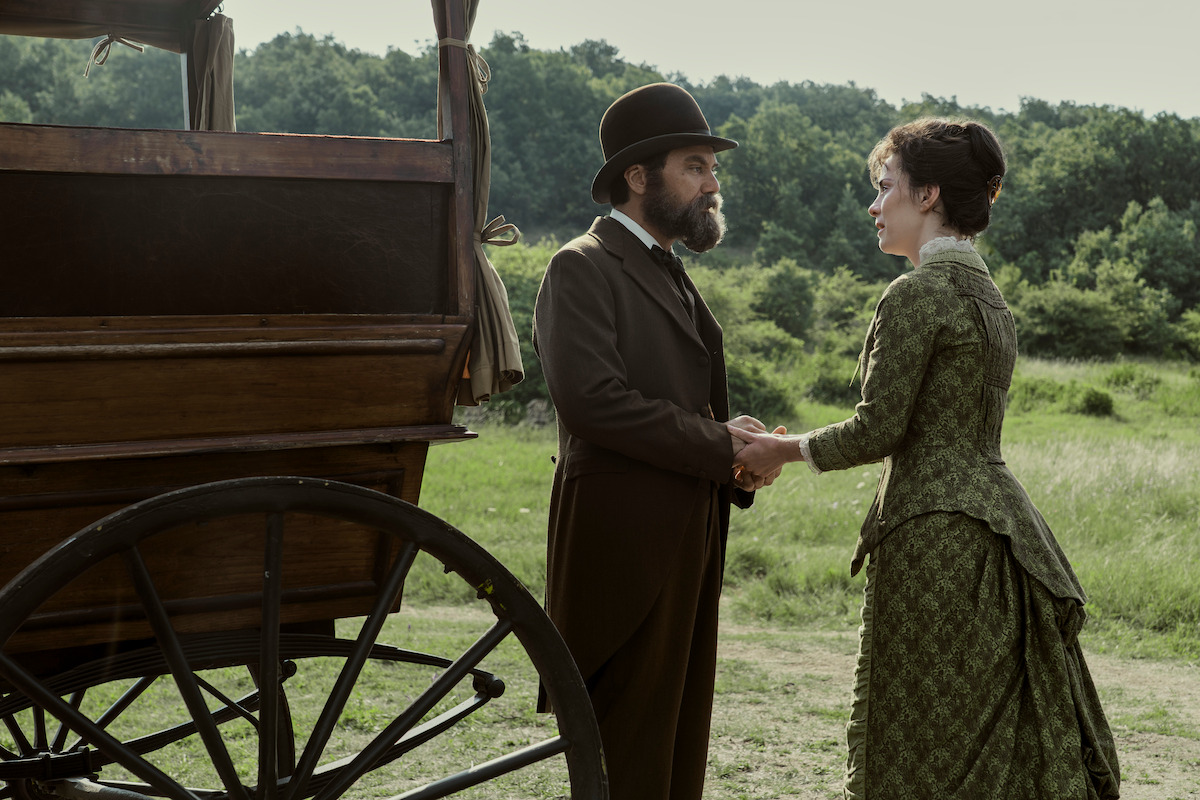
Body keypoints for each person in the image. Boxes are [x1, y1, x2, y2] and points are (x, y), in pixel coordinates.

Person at [730, 118, 1121, 799]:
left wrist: (777, 450)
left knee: (915, 734)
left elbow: (878, 429)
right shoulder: (992, 302)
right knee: (974, 727)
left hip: (934, 537)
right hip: (1003, 535)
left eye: (887, 189)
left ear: (929, 195)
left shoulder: (917, 294)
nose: (875, 206)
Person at [532, 82, 775, 800]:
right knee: (628, 762)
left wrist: (734, 450)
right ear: (638, 178)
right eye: (694, 166)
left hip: (687, 542)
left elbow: (676, 397)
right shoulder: (581, 265)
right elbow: (593, 404)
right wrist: (719, 445)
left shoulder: (669, 272)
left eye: (712, 169)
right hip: (624, 554)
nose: (712, 183)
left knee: (675, 755)